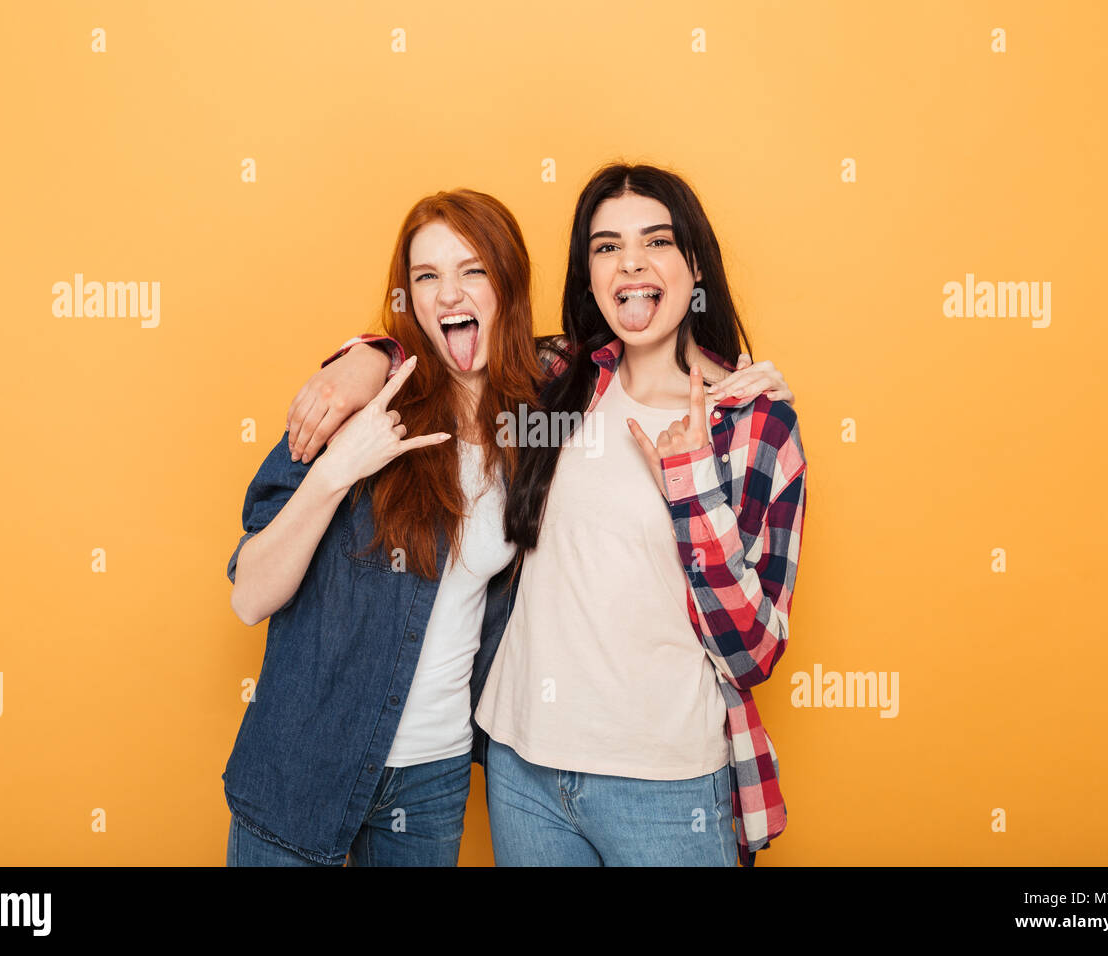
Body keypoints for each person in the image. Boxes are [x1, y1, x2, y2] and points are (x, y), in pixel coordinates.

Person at [284, 163, 807, 866]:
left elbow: (752, 651)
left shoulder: (754, 425)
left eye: (655, 242)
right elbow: (451, 344)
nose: (630, 264)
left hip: (664, 784)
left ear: (693, 264)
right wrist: (366, 359)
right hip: (523, 766)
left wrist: (688, 487)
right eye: (605, 246)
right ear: (587, 273)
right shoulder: (558, 378)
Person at [222, 189, 542, 865]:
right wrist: (338, 468)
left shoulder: (534, 427)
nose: (449, 293)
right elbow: (249, 595)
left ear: (508, 284)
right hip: (304, 762)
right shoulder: (355, 407)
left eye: (473, 270)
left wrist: (731, 384)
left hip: (433, 778)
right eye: (427, 276)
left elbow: (628, 350)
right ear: (409, 299)